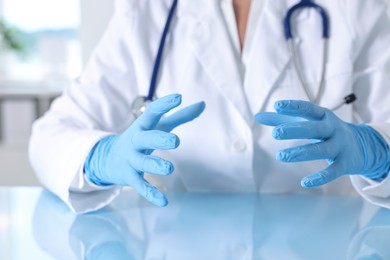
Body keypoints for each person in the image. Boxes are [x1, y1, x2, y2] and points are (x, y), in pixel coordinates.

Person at [29, 0, 390, 213]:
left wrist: (378, 152)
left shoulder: (354, 7)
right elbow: (50, 136)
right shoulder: (148, 11)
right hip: (180, 241)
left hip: (326, 242)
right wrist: (99, 156)